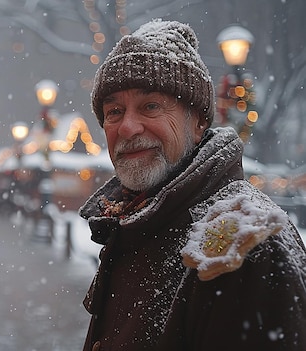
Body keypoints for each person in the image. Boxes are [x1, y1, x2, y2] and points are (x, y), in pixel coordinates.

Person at [78, 19, 306, 351]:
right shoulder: (137, 222)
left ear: (198, 121)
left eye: (150, 106)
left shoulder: (249, 246)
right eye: (114, 111)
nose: (127, 127)